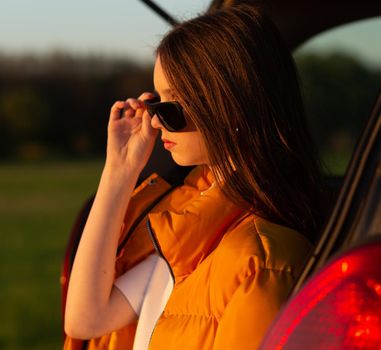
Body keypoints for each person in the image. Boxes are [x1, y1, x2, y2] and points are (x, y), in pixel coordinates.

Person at [64, 4, 326, 350]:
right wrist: (119, 171)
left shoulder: (260, 263)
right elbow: (86, 319)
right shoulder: (188, 220)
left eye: (172, 105)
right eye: (157, 103)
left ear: (232, 105)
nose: (155, 121)